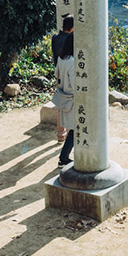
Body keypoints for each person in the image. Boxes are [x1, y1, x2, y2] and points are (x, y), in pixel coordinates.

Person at [53, 32, 76, 167]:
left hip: (64, 95)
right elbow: (75, 83)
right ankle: (63, 158)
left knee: (72, 128)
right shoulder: (73, 61)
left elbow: (57, 74)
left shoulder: (62, 57)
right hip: (72, 98)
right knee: (75, 128)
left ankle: (64, 157)